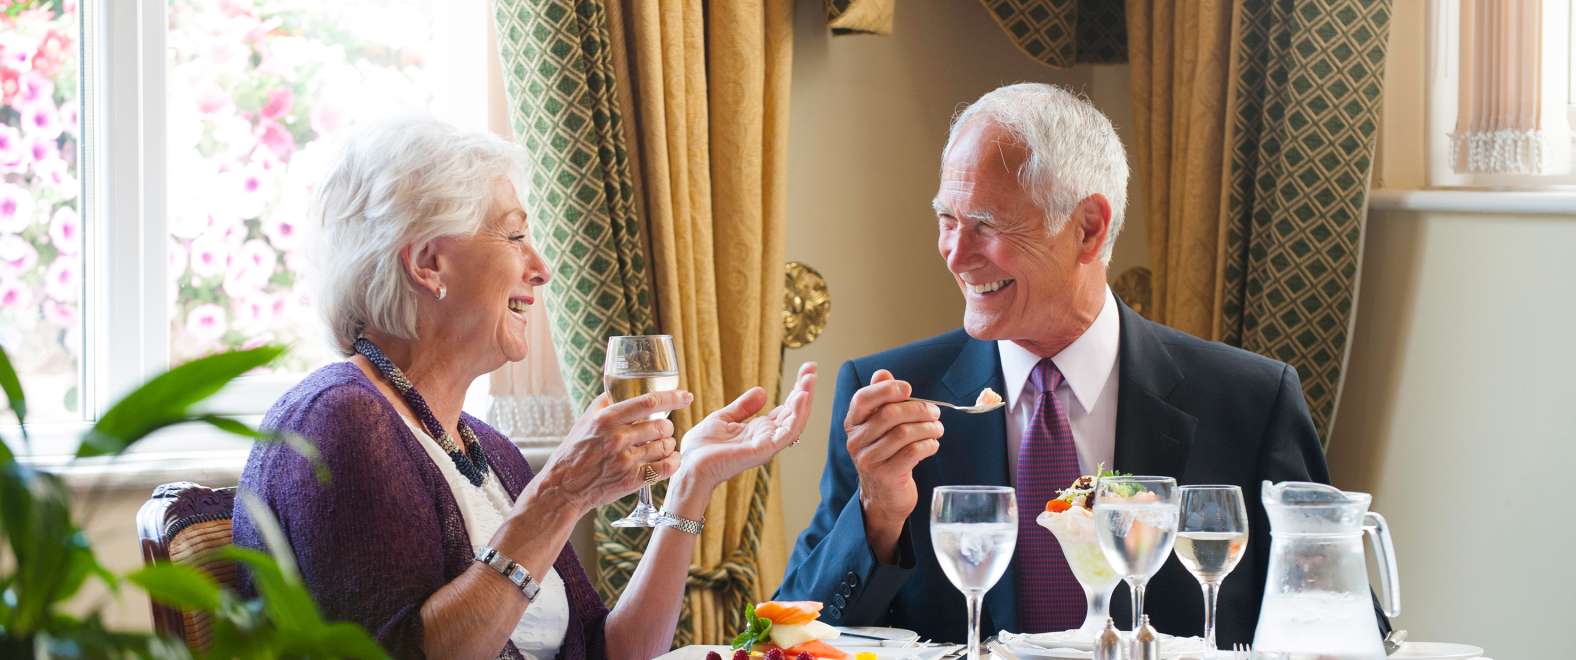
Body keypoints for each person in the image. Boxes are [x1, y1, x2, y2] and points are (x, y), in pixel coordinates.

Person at [233, 116, 817, 660]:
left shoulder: (486, 449)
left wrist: (690, 484)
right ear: (428, 263)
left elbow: (610, 651)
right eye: (515, 236)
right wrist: (560, 495)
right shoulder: (337, 420)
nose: (541, 268)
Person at [776, 83, 1340, 645]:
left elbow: (1336, 622)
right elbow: (792, 634)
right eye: (948, 219)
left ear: (1088, 228)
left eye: (986, 224)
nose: (956, 253)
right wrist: (878, 514)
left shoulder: (1252, 402)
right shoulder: (896, 398)